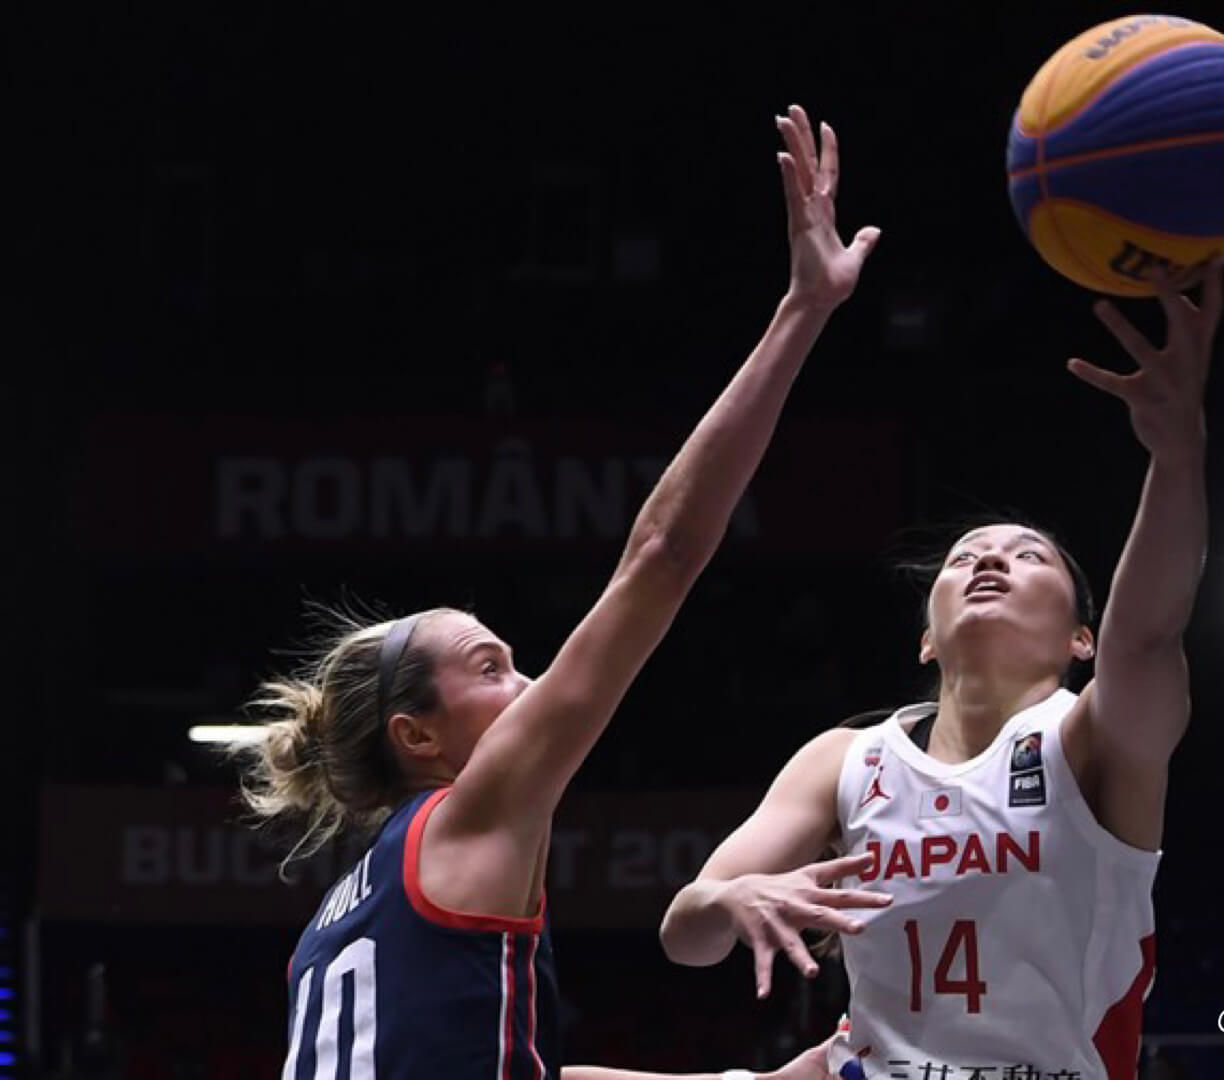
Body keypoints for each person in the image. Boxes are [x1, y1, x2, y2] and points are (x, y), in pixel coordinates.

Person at [234, 103, 885, 1079]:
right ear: (418, 734)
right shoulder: (472, 813)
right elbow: (661, 555)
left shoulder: (352, 909)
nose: (533, 681)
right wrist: (802, 311)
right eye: (489, 667)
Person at [659, 248, 1224, 1080]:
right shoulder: (845, 759)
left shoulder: (1090, 739)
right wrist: (732, 898)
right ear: (926, 637)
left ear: (1080, 641)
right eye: (964, 558)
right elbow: (687, 936)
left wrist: (1176, 456)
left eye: (1028, 556)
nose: (989, 562)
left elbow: (1146, 636)